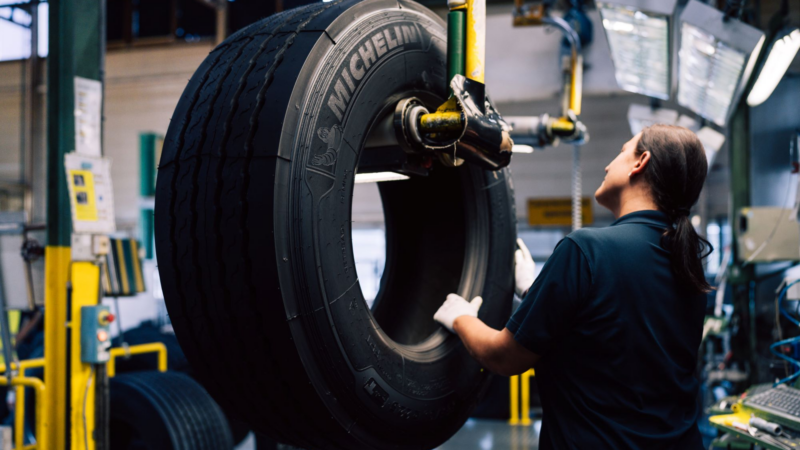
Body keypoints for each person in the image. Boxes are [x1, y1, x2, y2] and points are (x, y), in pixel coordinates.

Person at [433, 124, 712, 449]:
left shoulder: (586, 249)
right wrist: (533, 289)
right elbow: (610, 328)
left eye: (622, 151)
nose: (608, 165)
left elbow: (504, 357)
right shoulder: (687, 266)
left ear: (641, 162)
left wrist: (461, 317)